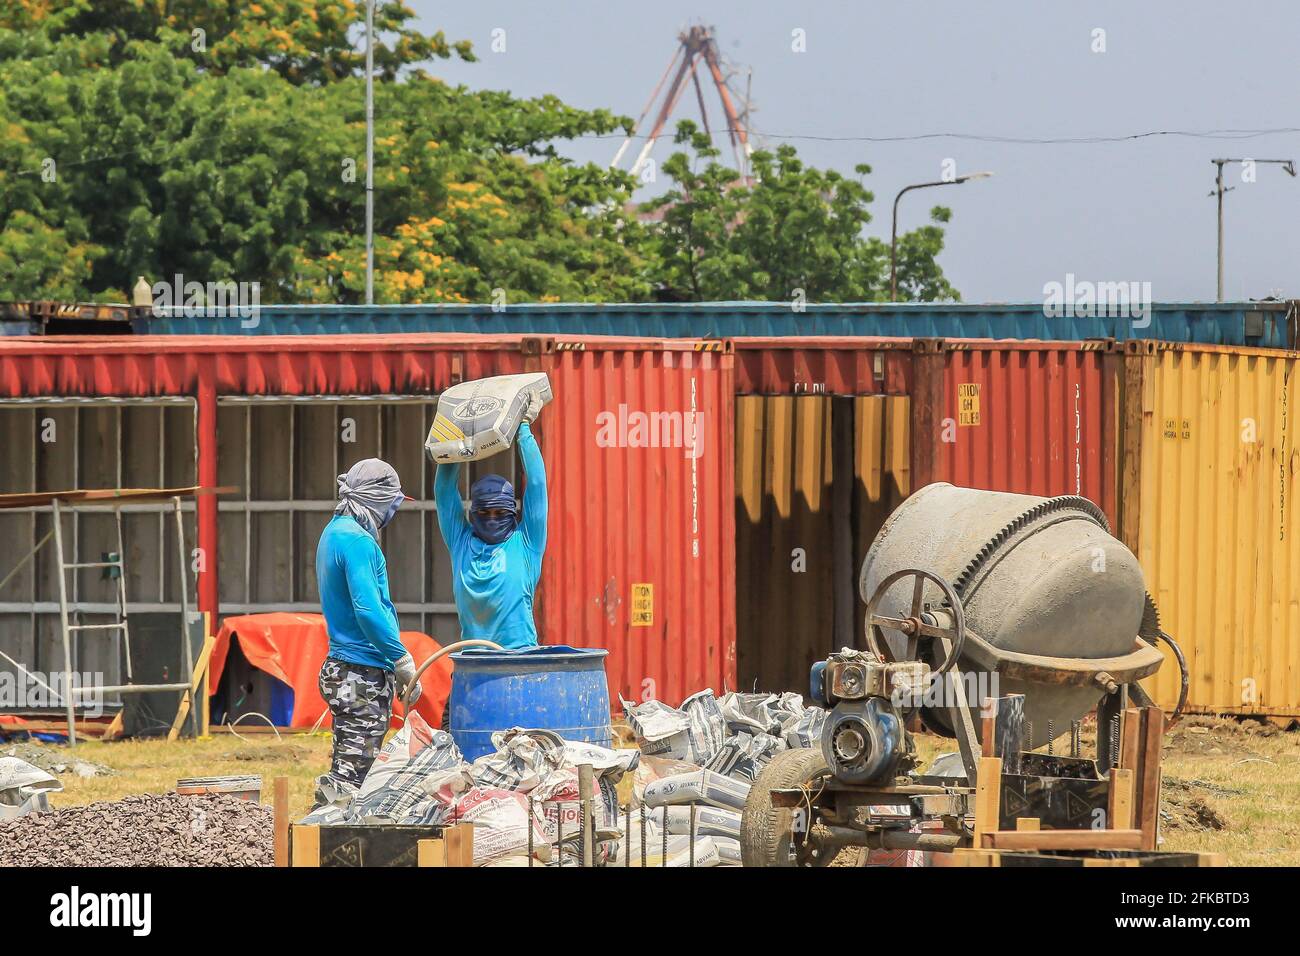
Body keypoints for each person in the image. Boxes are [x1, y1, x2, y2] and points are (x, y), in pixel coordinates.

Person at [313, 458, 422, 806]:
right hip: (360, 674)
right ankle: (329, 848)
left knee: (347, 771)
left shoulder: (333, 532)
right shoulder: (359, 542)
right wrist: (400, 658)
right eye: (392, 503)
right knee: (354, 784)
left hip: (345, 669)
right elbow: (368, 610)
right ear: (378, 500)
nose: (393, 512)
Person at [434, 396, 546, 649]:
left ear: (512, 514)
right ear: (473, 514)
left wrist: (524, 429)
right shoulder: (461, 542)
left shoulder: (527, 543)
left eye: (500, 513)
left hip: (519, 662)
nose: (492, 519)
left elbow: (537, 485)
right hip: (473, 668)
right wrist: (455, 439)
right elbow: (444, 490)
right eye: (485, 513)